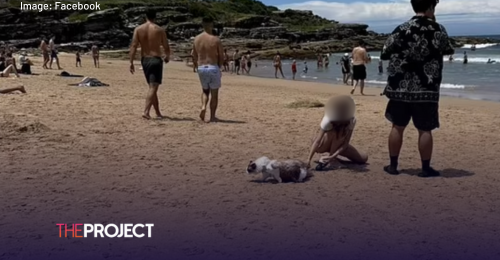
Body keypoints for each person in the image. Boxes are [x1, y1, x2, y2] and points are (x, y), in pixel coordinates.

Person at [380, 0, 454, 177]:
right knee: (424, 129)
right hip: (427, 87)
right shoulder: (438, 29)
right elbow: (449, 49)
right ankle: (425, 168)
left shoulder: (401, 28)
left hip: (400, 87)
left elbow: (384, 53)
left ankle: (393, 166)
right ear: (430, 7)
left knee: (397, 126)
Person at [307, 95, 368, 170]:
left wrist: (332, 156)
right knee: (337, 133)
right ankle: (332, 160)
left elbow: (345, 143)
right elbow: (317, 141)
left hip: (338, 144)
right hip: (322, 144)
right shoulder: (329, 118)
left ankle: (331, 157)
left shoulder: (351, 120)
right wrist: (308, 160)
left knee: (363, 158)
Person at [129, 10, 170, 120]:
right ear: (155, 17)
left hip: (145, 60)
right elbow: (166, 46)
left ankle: (157, 112)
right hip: (155, 59)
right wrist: (167, 56)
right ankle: (146, 111)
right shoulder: (159, 30)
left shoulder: (138, 29)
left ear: (145, 17)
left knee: (152, 86)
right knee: (153, 87)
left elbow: (133, 46)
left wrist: (131, 62)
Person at [192, 16, 224, 123]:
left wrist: (197, 66)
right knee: (214, 94)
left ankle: (203, 107)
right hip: (213, 66)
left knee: (205, 91)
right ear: (211, 25)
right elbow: (221, 56)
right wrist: (219, 67)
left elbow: (194, 54)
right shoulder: (216, 39)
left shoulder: (197, 39)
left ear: (202, 25)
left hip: (201, 67)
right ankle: (212, 116)